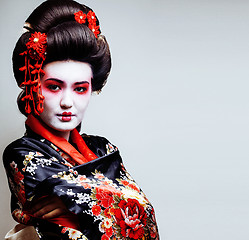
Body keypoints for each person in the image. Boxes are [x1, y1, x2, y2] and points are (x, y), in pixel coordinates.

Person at [3, 0, 159, 239]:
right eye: (54, 87)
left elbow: (144, 208)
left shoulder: (103, 147)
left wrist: (78, 203)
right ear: (34, 87)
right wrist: (115, 197)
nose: (67, 102)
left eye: (79, 88)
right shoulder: (22, 153)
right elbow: (63, 226)